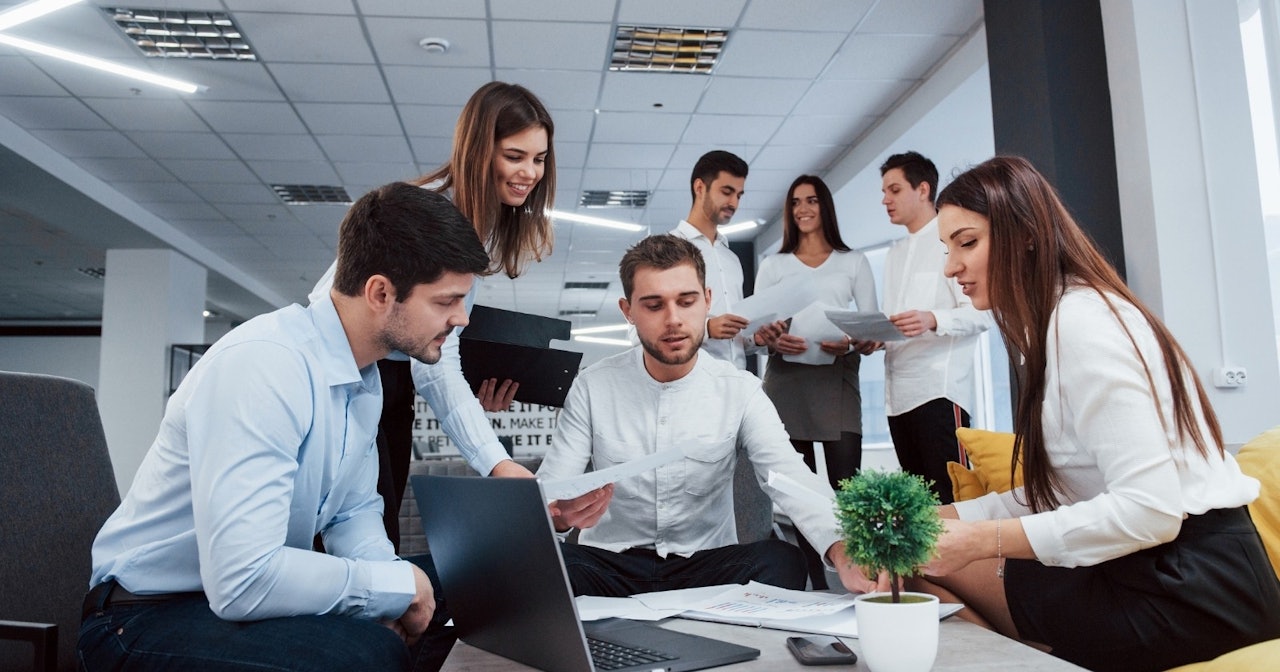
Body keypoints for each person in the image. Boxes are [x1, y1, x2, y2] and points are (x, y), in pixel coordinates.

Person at [79, 183, 493, 671]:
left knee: (477, 585)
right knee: (369, 652)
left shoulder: (364, 377)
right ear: (381, 292)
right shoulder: (265, 365)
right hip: (144, 614)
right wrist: (390, 589)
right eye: (447, 301)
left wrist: (392, 594)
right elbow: (243, 580)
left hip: (233, 602)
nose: (461, 319)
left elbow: (352, 513)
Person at [912, 156, 1280, 672]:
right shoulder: (1056, 323)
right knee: (913, 549)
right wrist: (933, 520)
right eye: (947, 248)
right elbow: (1063, 491)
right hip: (1154, 569)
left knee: (917, 566)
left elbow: (1150, 510)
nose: (951, 267)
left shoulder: (1082, 324)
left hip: (1193, 589)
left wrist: (979, 539)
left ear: (1026, 236)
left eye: (967, 242)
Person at [537, 234, 889, 599]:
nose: (673, 320)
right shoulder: (592, 386)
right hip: (611, 565)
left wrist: (842, 546)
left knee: (783, 561)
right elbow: (551, 487)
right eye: (654, 306)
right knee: (546, 566)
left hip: (706, 567)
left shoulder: (740, 389)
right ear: (628, 311)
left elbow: (788, 475)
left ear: (707, 300)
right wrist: (558, 518)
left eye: (686, 302)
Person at [310, 81, 556, 549]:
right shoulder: (421, 218)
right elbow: (332, 303)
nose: (529, 172)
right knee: (351, 542)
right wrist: (496, 461)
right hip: (350, 384)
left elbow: (438, 359)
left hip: (387, 391)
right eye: (514, 155)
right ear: (479, 151)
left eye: (539, 159)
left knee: (374, 543)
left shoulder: (475, 227)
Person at [753, 175, 878, 588]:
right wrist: (773, 339)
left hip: (837, 379)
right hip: (787, 381)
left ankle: (864, 576)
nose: (803, 209)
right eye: (795, 203)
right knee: (801, 494)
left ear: (825, 206)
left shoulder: (853, 262)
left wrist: (852, 342)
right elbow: (757, 329)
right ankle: (817, 584)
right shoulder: (773, 265)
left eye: (811, 201)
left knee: (848, 488)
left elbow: (870, 326)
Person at [878, 151, 989, 503]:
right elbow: (894, 320)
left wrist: (933, 318)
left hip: (939, 393)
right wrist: (874, 338)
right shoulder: (894, 254)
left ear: (923, 189)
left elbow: (981, 314)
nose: (886, 200)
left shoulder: (950, 242)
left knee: (952, 501)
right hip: (898, 400)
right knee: (919, 509)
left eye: (894, 190)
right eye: (884, 192)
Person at [669, 150, 769, 370]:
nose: (734, 202)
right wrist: (707, 329)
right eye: (727, 192)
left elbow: (734, 341)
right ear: (699, 188)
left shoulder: (731, 259)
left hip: (736, 384)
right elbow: (642, 331)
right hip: (691, 385)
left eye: (739, 195)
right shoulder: (667, 250)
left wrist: (756, 340)